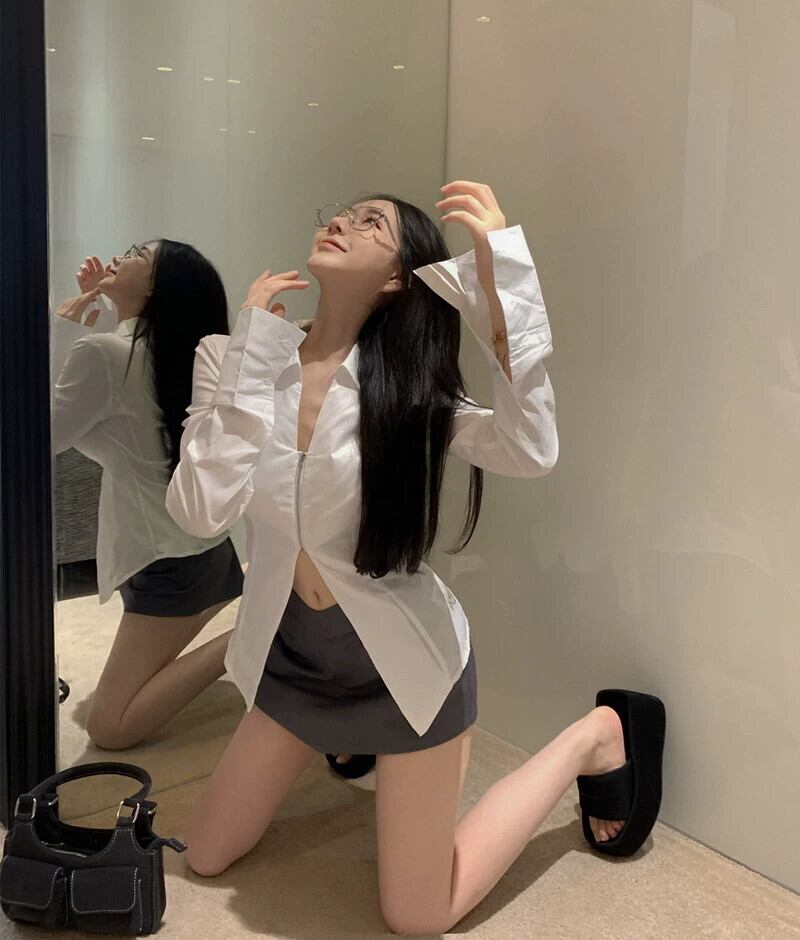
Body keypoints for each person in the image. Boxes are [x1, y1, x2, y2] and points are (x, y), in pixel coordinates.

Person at [165, 181, 666, 934]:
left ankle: (592, 738)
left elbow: (531, 448)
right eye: (340, 213)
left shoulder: (407, 391)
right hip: (291, 660)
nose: (341, 222)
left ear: (399, 278)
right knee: (204, 856)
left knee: (417, 915)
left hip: (404, 673)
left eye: (371, 223)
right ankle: (349, 749)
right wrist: (250, 358)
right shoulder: (237, 358)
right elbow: (198, 511)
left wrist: (504, 282)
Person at [52, 239, 244, 750]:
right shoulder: (172, 356)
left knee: (109, 727)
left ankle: (261, 634)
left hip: (167, 563)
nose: (119, 257)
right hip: (199, 550)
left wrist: (67, 328)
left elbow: (43, 434)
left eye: (137, 254)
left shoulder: (104, 353)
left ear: (157, 286)